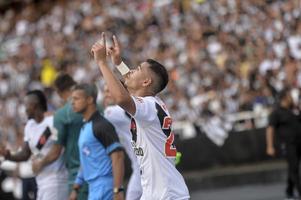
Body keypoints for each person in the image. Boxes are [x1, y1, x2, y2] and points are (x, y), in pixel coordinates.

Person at [91, 33, 190, 200]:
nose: (130, 71)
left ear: (146, 82)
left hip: (167, 194)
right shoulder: (152, 104)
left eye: (136, 69)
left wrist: (102, 63)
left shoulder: (149, 106)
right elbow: (131, 84)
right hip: (157, 192)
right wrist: (118, 63)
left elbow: (121, 98)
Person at [0, 90, 68, 200]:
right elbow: (25, 154)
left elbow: (57, 149)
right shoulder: (29, 126)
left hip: (56, 180)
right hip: (40, 182)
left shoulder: (53, 121)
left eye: (26, 105)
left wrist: (41, 163)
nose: (24, 109)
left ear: (35, 105)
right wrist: (9, 156)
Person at [32, 73, 89, 199]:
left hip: (74, 175)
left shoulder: (61, 115)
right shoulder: (93, 103)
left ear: (58, 92)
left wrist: (39, 163)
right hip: (101, 170)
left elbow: (55, 151)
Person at [69, 83, 125, 200]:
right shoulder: (86, 126)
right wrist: (76, 188)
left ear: (89, 99)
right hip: (94, 188)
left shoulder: (101, 125)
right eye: (72, 99)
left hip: (106, 187)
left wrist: (117, 189)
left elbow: (118, 156)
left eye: (76, 98)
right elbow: (86, 160)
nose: (72, 102)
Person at [103, 84, 142, 200]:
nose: (106, 94)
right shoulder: (129, 108)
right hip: (141, 166)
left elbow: (95, 116)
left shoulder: (113, 111)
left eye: (109, 90)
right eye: (105, 92)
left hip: (142, 168)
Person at [266, 89, 301, 199]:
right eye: (290, 96)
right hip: (288, 144)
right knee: (294, 167)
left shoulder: (293, 110)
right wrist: (270, 146)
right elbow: (270, 129)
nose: (292, 98)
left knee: (293, 168)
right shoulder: (276, 112)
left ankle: (289, 190)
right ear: (284, 98)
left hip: (299, 143)